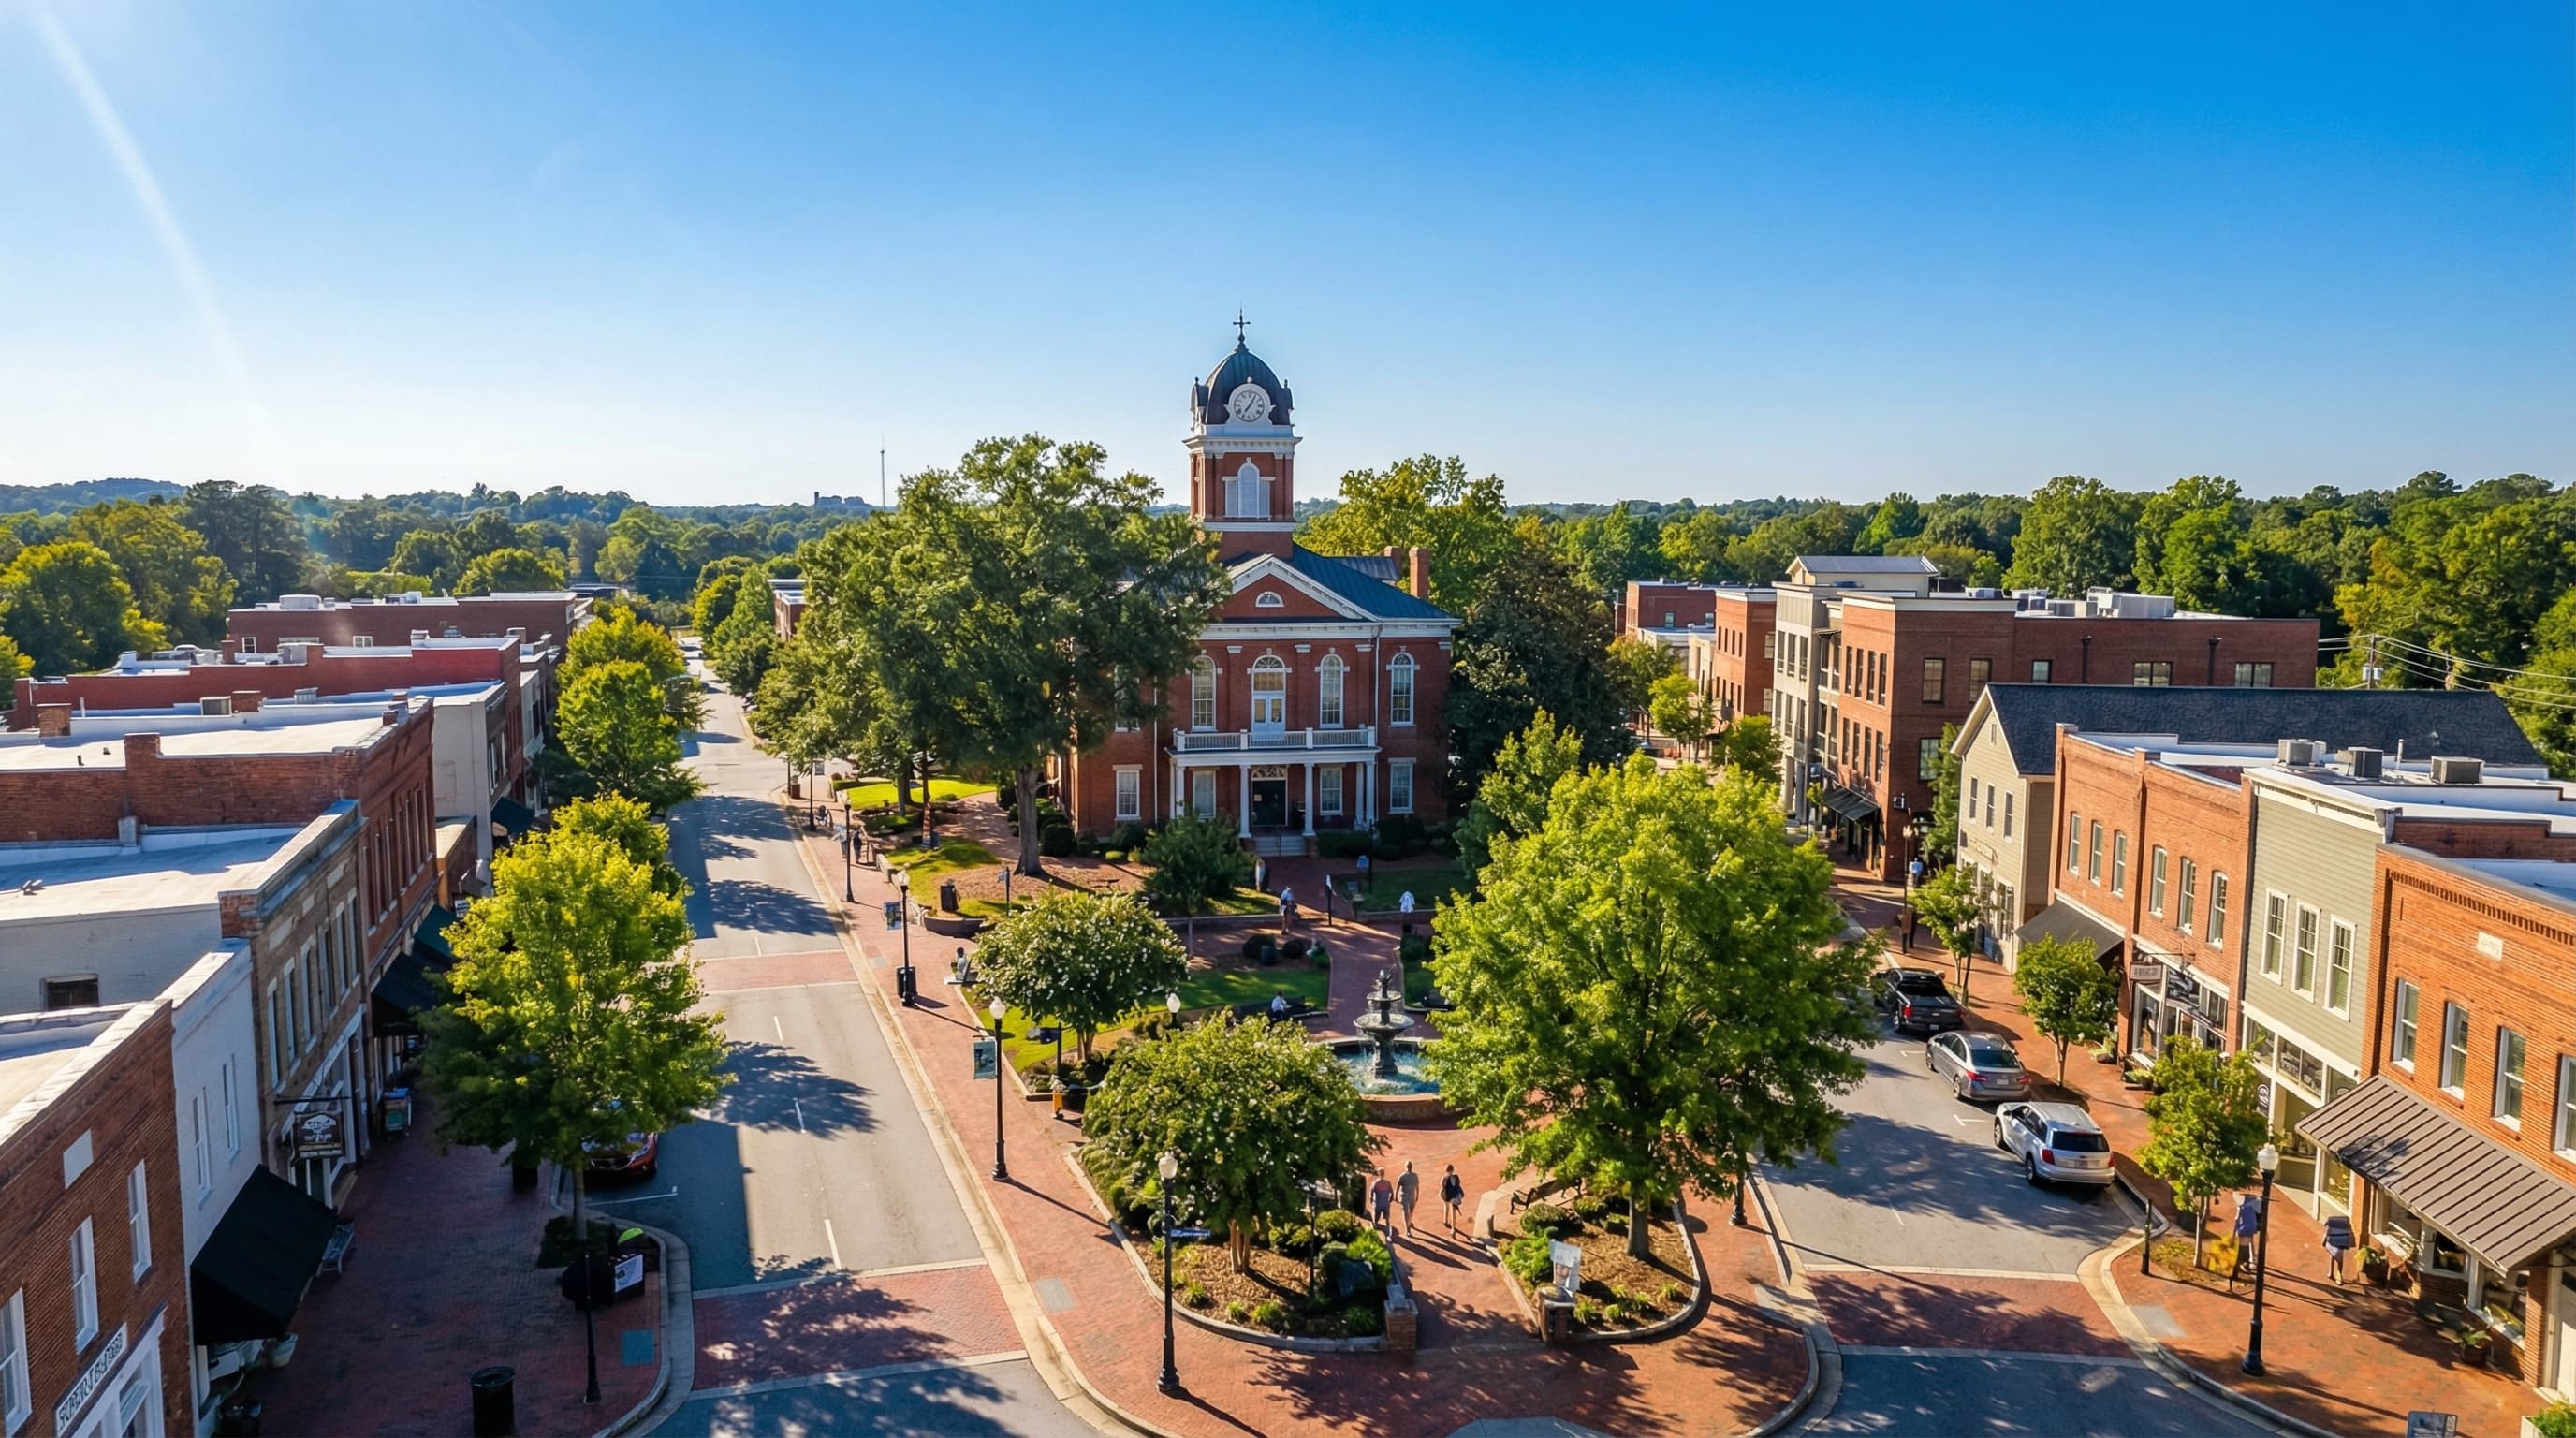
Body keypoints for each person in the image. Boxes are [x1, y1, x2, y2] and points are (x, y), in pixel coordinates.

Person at [2228, 1192, 2262, 1289]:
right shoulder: (2254, 1204)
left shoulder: (2242, 1206)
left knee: (2239, 1253)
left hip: (2243, 1231)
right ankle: (2247, 1263)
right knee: (2245, 1249)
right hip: (2250, 1229)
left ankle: (2236, 1272)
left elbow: (2237, 1220)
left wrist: (2233, 1233)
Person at [2323, 1213, 2356, 1284]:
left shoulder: (2331, 1224)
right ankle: (2338, 1276)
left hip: (2332, 1243)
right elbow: (2351, 1234)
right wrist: (2350, 1244)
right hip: (2341, 1244)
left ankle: (2332, 1273)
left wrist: (2324, 1242)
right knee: (2339, 1261)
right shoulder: (2347, 1225)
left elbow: (2326, 1233)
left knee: (2332, 1255)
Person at [1396, 1161, 1421, 1237]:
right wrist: (1417, 1195)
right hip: (1412, 1195)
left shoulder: (1402, 1176)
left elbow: (1398, 1186)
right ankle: (1408, 1228)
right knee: (1410, 1211)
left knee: (1406, 1212)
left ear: (1405, 1167)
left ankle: (1408, 1226)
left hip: (1404, 1196)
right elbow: (1417, 1186)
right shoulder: (1415, 1176)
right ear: (1411, 1167)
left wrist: (1395, 1196)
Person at [1440, 1165, 1466, 1237]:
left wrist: (1440, 1194)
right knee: (1453, 1213)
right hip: (1454, 1196)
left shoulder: (1444, 1178)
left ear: (1446, 1171)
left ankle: (1445, 1221)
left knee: (1446, 1206)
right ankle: (1453, 1229)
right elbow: (1458, 1185)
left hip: (1446, 1196)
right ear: (1452, 1170)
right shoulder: (1456, 1177)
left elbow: (1442, 1187)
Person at [1368, 1170, 1395, 1236]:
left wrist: (1372, 1201)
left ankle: (1375, 1232)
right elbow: (1392, 1194)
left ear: (1378, 1174)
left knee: (1376, 1220)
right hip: (1386, 1204)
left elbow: (1371, 1194)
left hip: (1378, 1204)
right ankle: (1388, 1234)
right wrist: (1389, 1200)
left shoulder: (1375, 1183)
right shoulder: (1388, 1183)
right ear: (1384, 1174)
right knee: (1387, 1220)